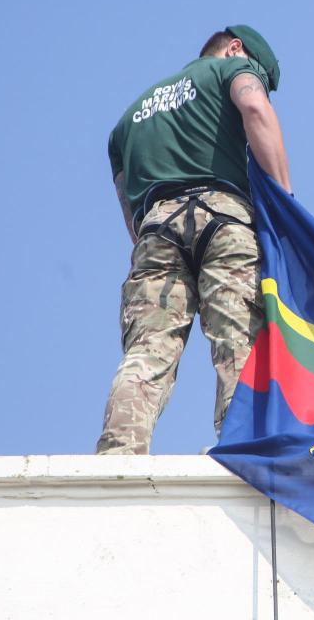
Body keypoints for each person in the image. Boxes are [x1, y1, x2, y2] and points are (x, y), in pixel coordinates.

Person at [96, 26, 291, 455]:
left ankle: (119, 455)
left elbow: (128, 204)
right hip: (224, 218)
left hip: (156, 229)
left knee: (147, 349)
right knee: (237, 339)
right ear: (235, 49)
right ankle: (244, 447)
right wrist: (286, 203)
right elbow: (255, 108)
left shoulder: (128, 120)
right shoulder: (231, 71)